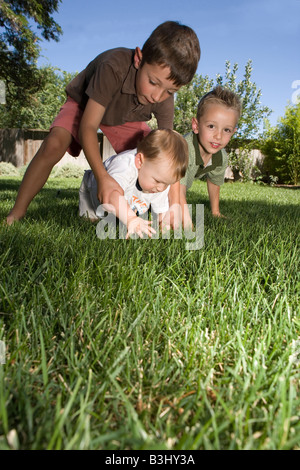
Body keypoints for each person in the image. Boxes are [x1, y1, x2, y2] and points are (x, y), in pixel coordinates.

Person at [6, 21, 200, 226]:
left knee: (153, 150)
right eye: (153, 82)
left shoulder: (163, 97)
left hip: (124, 118)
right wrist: (102, 177)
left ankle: (134, 208)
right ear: (138, 59)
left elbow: (169, 152)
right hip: (84, 106)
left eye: (170, 91)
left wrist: (178, 204)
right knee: (54, 143)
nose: (157, 96)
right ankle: (16, 213)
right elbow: (88, 126)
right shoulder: (112, 67)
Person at [79, 129, 189, 239]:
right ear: (139, 161)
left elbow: (161, 210)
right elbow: (111, 195)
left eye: (167, 184)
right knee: (89, 221)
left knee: (113, 219)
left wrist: (165, 225)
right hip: (91, 191)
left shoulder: (160, 181)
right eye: (158, 181)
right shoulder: (125, 166)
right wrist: (131, 218)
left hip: (126, 197)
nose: (161, 188)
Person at [179, 86, 242, 228]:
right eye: (211, 126)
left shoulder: (220, 157)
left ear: (233, 132)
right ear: (196, 125)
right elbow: (178, 188)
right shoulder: (184, 149)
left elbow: (214, 182)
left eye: (226, 130)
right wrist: (186, 221)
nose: (218, 136)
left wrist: (215, 211)